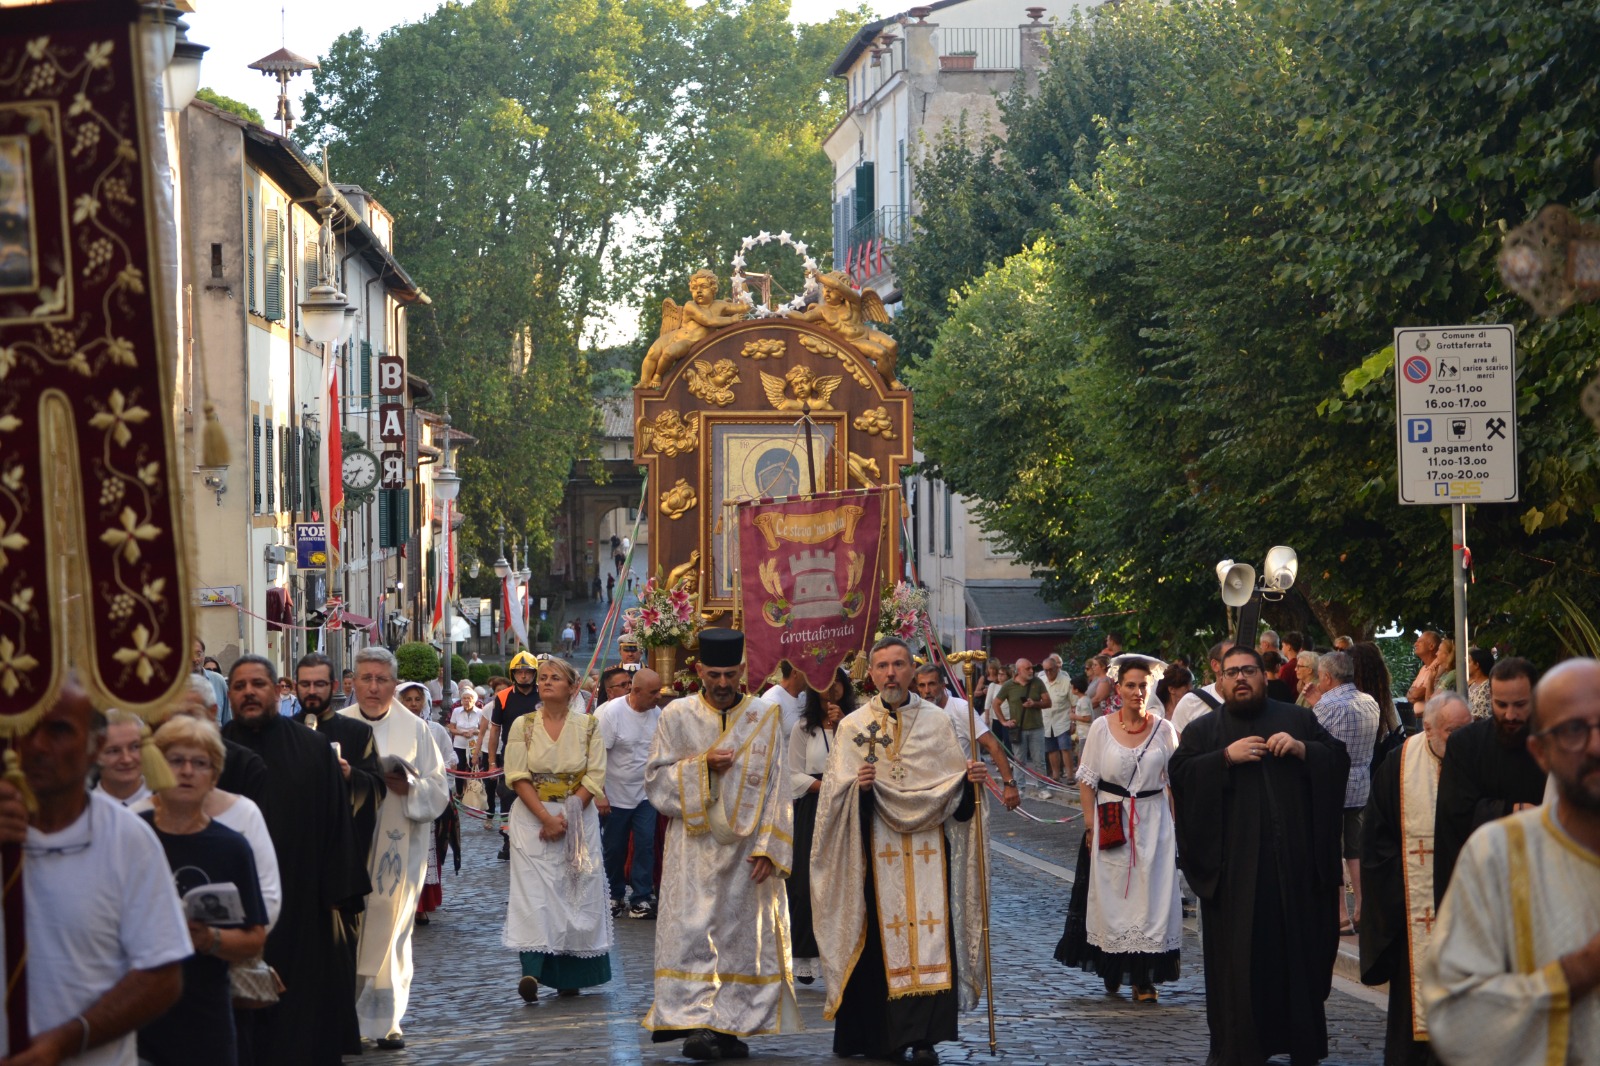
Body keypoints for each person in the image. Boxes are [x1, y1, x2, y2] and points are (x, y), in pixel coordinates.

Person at [1170, 646, 1351, 1066]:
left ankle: (1300, 1044)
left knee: (1296, 960)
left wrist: (1305, 749)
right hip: (1234, 877)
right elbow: (1179, 775)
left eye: (1248, 670)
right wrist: (1223, 760)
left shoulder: (1298, 719)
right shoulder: (1204, 731)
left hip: (1294, 872)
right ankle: (1240, 1048)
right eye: (1231, 672)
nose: (1240, 679)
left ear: (1263, 676)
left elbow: (1338, 759)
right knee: (1240, 966)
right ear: (1220, 679)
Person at [812, 637, 988, 1066]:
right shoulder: (854, 726)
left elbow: (955, 803)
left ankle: (924, 1038)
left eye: (899, 665)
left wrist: (969, 784)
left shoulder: (937, 723)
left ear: (913, 670)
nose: (890, 673)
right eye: (882, 666)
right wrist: (862, 790)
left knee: (931, 936)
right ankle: (881, 1037)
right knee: (876, 945)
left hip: (930, 852)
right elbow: (833, 802)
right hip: (873, 853)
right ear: (869, 673)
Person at [1420, 657, 1600, 1064]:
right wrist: (1578, 972)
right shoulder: (1496, 857)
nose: (1595, 746)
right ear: (1542, 751)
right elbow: (1454, 1013)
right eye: (1574, 730)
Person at [0, 683, 188, 1065]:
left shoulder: (128, 840)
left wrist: (66, 1041)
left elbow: (161, 975)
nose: (36, 745)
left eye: (58, 730)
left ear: (94, 747)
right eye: (25, 727)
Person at [642, 629, 798, 1060]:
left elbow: (778, 786)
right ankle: (696, 1024)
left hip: (748, 853)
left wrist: (771, 845)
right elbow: (655, 781)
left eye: (731, 674)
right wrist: (702, 766)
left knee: (741, 940)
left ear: (743, 671)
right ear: (698, 671)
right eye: (715, 674)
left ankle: (729, 1029)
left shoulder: (764, 717)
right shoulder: (676, 715)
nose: (724, 683)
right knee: (691, 933)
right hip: (693, 849)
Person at [222, 654, 367, 1066]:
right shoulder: (213, 752)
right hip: (237, 909)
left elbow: (337, 822)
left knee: (304, 1023)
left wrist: (338, 895)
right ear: (230, 694)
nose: (249, 692)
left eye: (258, 684)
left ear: (276, 690)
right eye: (239, 686)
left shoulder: (311, 746)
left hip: (304, 907)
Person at [137, 716, 270, 1066]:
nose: (187, 771)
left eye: (200, 763)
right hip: (135, 1009)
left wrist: (208, 938)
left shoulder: (232, 847)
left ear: (214, 775)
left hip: (206, 1010)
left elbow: (255, 937)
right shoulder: (132, 836)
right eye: (176, 760)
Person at [340, 646, 452, 1049]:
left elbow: (440, 790)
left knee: (392, 931)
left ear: (394, 683)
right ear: (351, 681)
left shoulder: (416, 730)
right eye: (366, 678)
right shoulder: (337, 725)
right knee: (345, 934)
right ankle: (343, 1020)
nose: (373, 687)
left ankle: (386, 1021)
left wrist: (410, 787)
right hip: (347, 847)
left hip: (398, 846)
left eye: (382, 679)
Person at [1359, 691, 1474, 1066]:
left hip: (1472, 911)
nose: (1464, 740)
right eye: (1455, 732)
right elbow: (1376, 840)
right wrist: (1404, 885)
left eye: (1467, 730)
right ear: (1428, 729)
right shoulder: (1399, 765)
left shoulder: (1481, 761)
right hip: (1416, 910)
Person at [1058, 657, 1182, 1002]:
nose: (1137, 692)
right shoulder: (1101, 728)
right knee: (1115, 898)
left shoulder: (1164, 730)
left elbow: (1176, 781)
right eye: (1130, 685)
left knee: (1151, 898)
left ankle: (1144, 978)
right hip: (1112, 818)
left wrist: (1178, 827)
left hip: (1154, 822)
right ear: (1119, 688)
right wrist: (1089, 824)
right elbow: (1087, 779)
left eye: (1143, 685)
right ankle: (1113, 968)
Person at [502, 656, 613, 999]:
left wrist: (568, 813)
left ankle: (571, 976)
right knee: (533, 895)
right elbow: (517, 775)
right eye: (543, 677)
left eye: (555, 678)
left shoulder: (590, 726)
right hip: (532, 819)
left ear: (572, 687)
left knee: (575, 891)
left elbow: (595, 775)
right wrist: (546, 818)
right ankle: (532, 973)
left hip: (577, 816)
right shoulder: (524, 725)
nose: (546, 682)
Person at [1432, 656, 1548, 903]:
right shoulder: (1465, 744)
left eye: (1520, 705)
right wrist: (1512, 810)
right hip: (1485, 885)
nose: (1510, 715)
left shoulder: (1556, 742)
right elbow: (1454, 813)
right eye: (1501, 704)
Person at [787, 667, 852, 983]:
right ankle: (806, 956)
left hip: (850, 803)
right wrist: (823, 788)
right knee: (804, 883)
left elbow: (866, 759)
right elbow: (792, 773)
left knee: (846, 880)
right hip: (814, 804)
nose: (832, 688)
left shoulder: (856, 724)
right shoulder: (803, 728)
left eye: (838, 682)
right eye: (826, 682)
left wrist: (843, 726)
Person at [1309, 650, 1382, 936]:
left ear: (1327, 677)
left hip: (1331, 785)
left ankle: (1340, 915)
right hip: (1361, 782)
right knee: (1356, 849)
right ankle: (1363, 907)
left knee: (1333, 850)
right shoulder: (1370, 702)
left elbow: (1314, 740)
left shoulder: (1326, 705)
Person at [292, 652, 385, 868]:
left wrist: (351, 774)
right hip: (294, 851)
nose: (312, 691)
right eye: (305, 684)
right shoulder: (280, 732)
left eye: (320, 684)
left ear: (334, 686)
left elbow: (378, 787)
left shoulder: (358, 733)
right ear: (296, 686)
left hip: (342, 851)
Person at [595, 667, 664, 919]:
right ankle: (613, 895)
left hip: (646, 794)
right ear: (636, 691)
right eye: (654, 692)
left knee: (645, 845)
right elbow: (597, 754)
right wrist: (599, 793)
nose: (659, 696)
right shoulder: (611, 714)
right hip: (614, 795)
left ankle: (641, 898)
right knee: (614, 848)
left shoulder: (657, 714)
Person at [913, 664, 1022, 808]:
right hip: (931, 794)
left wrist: (1009, 784)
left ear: (942, 684)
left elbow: (992, 744)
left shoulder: (961, 708)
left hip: (963, 791)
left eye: (932, 684)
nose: (927, 691)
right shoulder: (917, 711)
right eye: (922, 685)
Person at [400, 681, 458, 927]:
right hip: (399, 799)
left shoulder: (435, 729)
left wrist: (438, 772)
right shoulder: (394, 729)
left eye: (417, 699)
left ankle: (420, 906)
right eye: (408, 700)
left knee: (423, 852)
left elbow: (451, 757)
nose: (413, 704)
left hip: (427, 800)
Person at [487, 652, 543, 846]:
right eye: (519, 672)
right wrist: (492, 763)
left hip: (541, 756)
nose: (524, 676)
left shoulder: (544, 693)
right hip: (511, 758)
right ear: (513, 674)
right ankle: (507, 841)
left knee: (538, 797)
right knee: (507, 799)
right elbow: (494, 731)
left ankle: (534, 838)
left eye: (527, 671)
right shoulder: (502, 697)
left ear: (535, 673)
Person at [94, 708, 170, 807]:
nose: (127, 759)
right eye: (114, 751)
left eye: (135, 747)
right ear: (94, 756)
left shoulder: (169, 805)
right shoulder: (79, 811)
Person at [996, 658, 1049, 775]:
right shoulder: (1009, 685)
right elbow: (996, 703)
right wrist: (1004, 722)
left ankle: (1043, 788)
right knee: (1019, 761)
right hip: (1018, 728)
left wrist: (1034, 703)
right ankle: (1020, 788)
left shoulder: (1037, 682)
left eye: (1032, 668)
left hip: (1036, 727)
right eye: (1028, 669)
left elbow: (1048, 702)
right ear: (1019, 671)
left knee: (1039, 761)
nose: (1031, 671)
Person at [1170, 640, 1231, 737]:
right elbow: (1176, 746)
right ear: (1215, 665)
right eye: (1231, 659)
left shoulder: (1255, 701)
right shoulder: (1192, 701)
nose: (1239, 664)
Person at [1040, 654, 1077, 781]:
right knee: (1051, 749)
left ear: (1057, 668)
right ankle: (1055, 776)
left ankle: (1070, 775)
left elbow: (1074, 704)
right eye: (1046, 670)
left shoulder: (1066, 681)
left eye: (1051, 669)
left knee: (1065, 748)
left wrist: (1073, 722)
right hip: (1046, 720)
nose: (1048, 672)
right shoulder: (1041, 680)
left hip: (1063, 720)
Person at [448, 685, 487, 798]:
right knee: (459, 767)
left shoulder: (480, 712)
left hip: (474, 743)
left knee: (473, 766)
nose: (466, 701)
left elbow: (483, 730)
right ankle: (459, 791)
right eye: (464, 698)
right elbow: (451, 728)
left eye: (469, 698)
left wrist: (474, 731)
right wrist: (461, 733)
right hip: (459, 743)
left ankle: (473, 791)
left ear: (474, 700)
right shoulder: (456, 711)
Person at [762, 659, 810, 739]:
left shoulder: (804, 697)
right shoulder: (771, 701)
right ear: (795, 673)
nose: (810, 675)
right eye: (807, 671)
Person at [193, 637, 230, 725]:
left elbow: (227, 719)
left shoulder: (218, 681)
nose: (194, 659)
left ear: (204, 655)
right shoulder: (173, 685)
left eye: (198, 654)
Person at [1406, 630, 1443, 706]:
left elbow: (1417, 695)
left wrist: (1416, 692)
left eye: (1420, 642)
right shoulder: (1423, 668)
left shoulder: (1439, 666)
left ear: (1431, 646)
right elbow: (1409, 695)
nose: (1415, 644)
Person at [1465, 646, 1493, 719]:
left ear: (1477, 665)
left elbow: (1477, 716)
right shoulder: (1473, 684)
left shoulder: (1486, 687)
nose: (1466, 665)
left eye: (1469, 662)